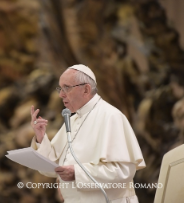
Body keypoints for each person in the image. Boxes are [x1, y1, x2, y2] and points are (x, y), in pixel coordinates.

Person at [30, 64, 146, 203]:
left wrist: (76, 173)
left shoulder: (110, 116)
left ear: (86, 89)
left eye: (66, 87)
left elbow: (123, 171)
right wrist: (41, 137)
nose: (61, 94)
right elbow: (51, 168)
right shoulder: (73, 120)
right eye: (60, 88)